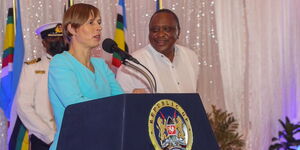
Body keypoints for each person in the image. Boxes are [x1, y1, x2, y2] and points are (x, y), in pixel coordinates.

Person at [47, 3, 124, 150]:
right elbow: (77, 106)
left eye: (99, 22)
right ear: (71, 29)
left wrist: (133, 99)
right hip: (72, 144)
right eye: (91, 22)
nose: (99, 27)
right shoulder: (61, 63)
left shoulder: (101, 65)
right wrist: (114, 107)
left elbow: (120, 101)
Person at [116, 9, 199, 93]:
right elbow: (120, 102)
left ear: (178, 32)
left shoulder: (190, 57)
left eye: (166, 29)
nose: (160, 34)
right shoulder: (131, 64)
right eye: (155, 30)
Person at [15, 22, 68, 150]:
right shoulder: (32, 68)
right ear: (44, 43)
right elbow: (24, 106)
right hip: (43, 140)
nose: (58, 42)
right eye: (53, 38)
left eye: (61, 38)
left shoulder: (73, 66)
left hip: (71, 135)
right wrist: (49, 136)